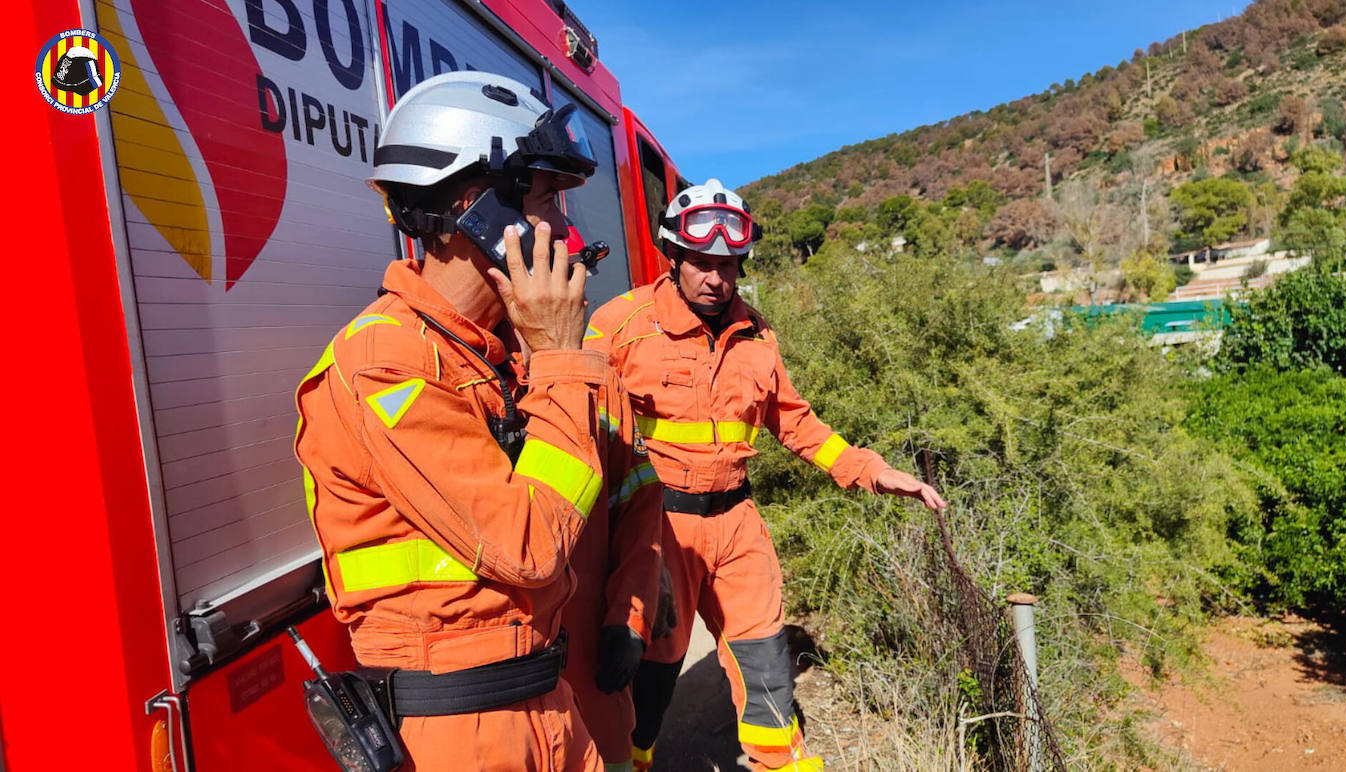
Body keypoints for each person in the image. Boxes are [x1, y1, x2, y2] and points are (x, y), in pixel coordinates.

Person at [294, 70, 647, 772]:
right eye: (548, 197)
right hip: (467, 734)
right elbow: (530, 546)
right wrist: (557, 358)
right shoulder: (386, 359)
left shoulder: (487, 353)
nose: (567, 228)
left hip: (546, 705)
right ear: (478, 209)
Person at [584, 179, 947, 772]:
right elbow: (585, 431)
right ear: (672, 257)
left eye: (727, 265)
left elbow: (797, 423)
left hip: (737, 523)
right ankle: (633, 757)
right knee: (651, 669)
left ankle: (780, 761)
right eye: (701, 262)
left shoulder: (757, 335)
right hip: (659, 528)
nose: (714, 278)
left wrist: (872, 472)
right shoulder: (620, 326)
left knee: (765, 661)